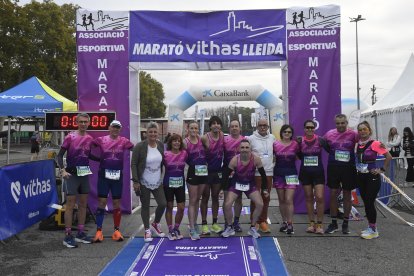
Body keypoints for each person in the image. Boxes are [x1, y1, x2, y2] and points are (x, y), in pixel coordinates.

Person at [91, 120, 134, 243]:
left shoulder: (124, 141)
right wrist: (96, 159)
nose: (115, 129)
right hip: (104, 175)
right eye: (113, 127)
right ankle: (99, 231)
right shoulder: (101, 140)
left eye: (118, 128)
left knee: (116, 203)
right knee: (102, 202)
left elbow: (135, 149)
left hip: (117, 176)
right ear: (109, 128)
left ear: (120, 129)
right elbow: (89, 147)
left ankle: (116, 230)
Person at [57, 113, 94, 248]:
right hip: (71, 175)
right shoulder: (70, 137)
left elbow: (90, 156)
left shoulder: (90, 138)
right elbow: (59, 156)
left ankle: (80, 233)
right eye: (81, 122)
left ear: (89, 123)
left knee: (83, 204)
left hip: (84, 174)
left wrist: (105, 160)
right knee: (70, 205)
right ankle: (67, 236)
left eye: (85, 122)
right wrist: (62, 170)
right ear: (77, 122)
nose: (83, 124)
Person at [221, 139, 269, 239]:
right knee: (227, 204)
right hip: (236, 184)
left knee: (260, 204)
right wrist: (223, 189)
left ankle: (252, 228)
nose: (244, 149)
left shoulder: (256, 159)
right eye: (242, 147)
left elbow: (263, 176)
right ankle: (230, 227)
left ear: (250, 149)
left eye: (247, 147)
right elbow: (225, 176)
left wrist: (264, 189)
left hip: (250, 185)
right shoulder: (235, 160)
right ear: (239, 149)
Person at [131, 122, 166, 242]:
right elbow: (134, 164)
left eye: (155, 132)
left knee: (162, 204)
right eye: (150, 132)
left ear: (158, 133)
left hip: (157, 180)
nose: (153, 134)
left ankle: (155, 224)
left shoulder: (160, 145)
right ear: (146, 133)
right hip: (143, 181)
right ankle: (147, 230)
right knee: (145, 206)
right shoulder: (139, 146)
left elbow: (164, 161)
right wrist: (136, 181)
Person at [355, 121, 391, 239]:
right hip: (361, 176)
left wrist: (381, 169)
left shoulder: (375, 143)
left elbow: (388, 157)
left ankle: (374, 230)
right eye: (360, 130)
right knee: (366, 202)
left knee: (370, 202)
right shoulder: (358, 144)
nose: (362, 131)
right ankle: (370, 226)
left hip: (372, 176)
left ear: (369, 130)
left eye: (364, 129)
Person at [323, 114, 358, 234]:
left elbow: (365, 142)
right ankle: (333, 223)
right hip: (334, 167)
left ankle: (345, 223)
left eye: (343, 123)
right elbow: (322, 143)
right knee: (333, 193)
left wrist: (378, 146)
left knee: (347, 194)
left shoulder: (353, 134)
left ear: (346, 122)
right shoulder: (329, 134)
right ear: (335, 123)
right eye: (338, 123)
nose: (340, 125)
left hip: (348, 167)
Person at [298, 120, 329, 234]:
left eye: (312, 127)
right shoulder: (299, 140)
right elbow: (296, 154)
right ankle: (311, 223)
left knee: (320, 197)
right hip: (305, 172)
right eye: (307, 127)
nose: (310, 129)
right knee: (309, 197)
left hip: (318, 172)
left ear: (314, 128)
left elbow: (332, 150)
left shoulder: (320, 140)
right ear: (304, 129)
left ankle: (320, 224)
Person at [248, 118, 275, 233]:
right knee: (255, 198)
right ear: (257, 126)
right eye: (260, 125)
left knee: (266, 197)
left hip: (268, 173)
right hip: (255, 173)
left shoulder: (272, 138)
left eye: (265, 125)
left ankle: (263, 221)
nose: (263, 127)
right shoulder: (250, 138)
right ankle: (254, 222)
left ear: (268, 127)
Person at [273, 124, 300, 235]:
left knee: (289, 199)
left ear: (291, 134)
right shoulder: (275, 144)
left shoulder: (295, 144)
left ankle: (290, 223)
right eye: (285, 132)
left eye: (289, 132)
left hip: (292, 175)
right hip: (279, 174)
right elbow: (272, 158)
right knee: (282, 200)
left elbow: (298, 156)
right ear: (281, 133)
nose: (287, 134)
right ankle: (284, 222)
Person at [200, 116, 224, 235]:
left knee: (215, 197)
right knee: (205, 197)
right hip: (205, 172)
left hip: (217, 171)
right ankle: (204, 224)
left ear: (220, 126)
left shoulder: (222, 136)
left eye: (218, 123)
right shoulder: (205, 138)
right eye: (213, 123)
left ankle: (214, 223)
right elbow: (197, 153)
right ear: (210, 126)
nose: (216, 125)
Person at [184, 121, 207, 240]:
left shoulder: (202, 140)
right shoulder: (185, 142)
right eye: (191, 128)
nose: (194, 130)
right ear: (188, 129)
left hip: (203, 171)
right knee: (192, 200)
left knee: (198, 198)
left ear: (198, 129)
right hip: (192, 172)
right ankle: (192, 228)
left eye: (196, 128)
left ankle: (194, 223)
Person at [163, 134, 188, 240]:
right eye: (174, 141)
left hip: (180, 184)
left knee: (181, 208)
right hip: (168, 184)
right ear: (170, 143)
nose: (177, 143)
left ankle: (176, 228)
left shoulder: (184, 153)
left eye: (178, 141)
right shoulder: (165, 154)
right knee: (169, 206)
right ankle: (170, 230)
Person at [222, 119, 244, 232]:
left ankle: (236, 221)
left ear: (240, 128)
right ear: (229, 128)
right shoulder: (225, 140)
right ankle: (227, 222)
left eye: (236, 126)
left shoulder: (245, 140)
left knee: (238, 199)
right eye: (232, 126)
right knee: (227, 199)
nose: (234, 128)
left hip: (240, 173)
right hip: (226, 172)